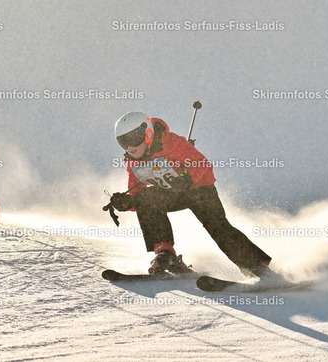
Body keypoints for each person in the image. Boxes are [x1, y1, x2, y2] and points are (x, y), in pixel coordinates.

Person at [109, 111, 273, 278]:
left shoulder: (172, 143)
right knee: (146, 199)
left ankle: (256, 265)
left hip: (199, 190)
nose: (130, 147)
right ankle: (165, 254)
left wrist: (187, 180)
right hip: (172, 193)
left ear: (148, 133)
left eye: (133, 139)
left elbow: (202, 164)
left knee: (216, 225)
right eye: (123, 142)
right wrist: (128, 203)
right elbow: (138, 194)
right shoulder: (132, 161)